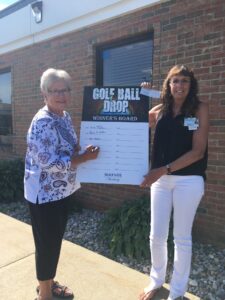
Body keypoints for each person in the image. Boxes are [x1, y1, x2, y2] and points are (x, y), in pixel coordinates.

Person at [24, 68, 100, 300]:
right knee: (47, 243)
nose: (61, 95)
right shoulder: (43, 122)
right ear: (44, 94)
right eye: (55, 91)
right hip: (44, 194)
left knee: (53, 241)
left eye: (65, 90)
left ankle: (49, 283)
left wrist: (80, 151)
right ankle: (44, 294)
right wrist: (84, 159)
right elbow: (49, 162)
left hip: (61, 190)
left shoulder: (64, 116)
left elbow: (67, 148)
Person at [139, 65, 209, 300]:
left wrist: (162, 170)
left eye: (184, 81)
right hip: (161, 180)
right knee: (156, 235)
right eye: (175, 81)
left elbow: (198, 152)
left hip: (189, 180)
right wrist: (142, 97)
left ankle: (177, 292)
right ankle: (156, 281)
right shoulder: (159, 111)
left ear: (191, 85)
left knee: (181, 237)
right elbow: (135, 123)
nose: (179, 85)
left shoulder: (199, 110)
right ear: (168, 85)